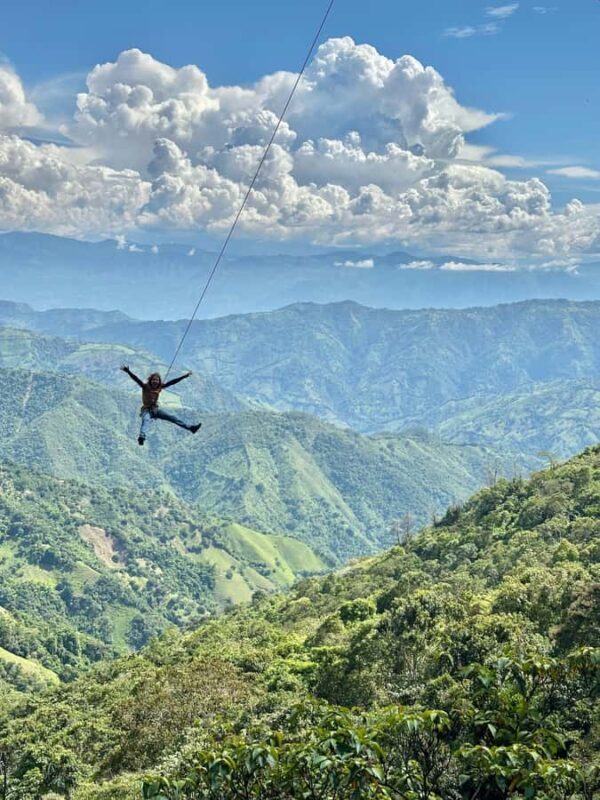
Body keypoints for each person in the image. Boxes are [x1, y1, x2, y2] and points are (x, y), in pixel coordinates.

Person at [121, 365, 201, 445]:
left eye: (157, 380)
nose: (155, 381)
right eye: (153, 380)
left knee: (173, 418)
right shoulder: (145, 386)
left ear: (159, 381)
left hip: (155, 410)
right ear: (150, 380)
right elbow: (136, 379)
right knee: (146, 420)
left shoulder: (160, 387)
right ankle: (142, 437)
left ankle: (190, 428)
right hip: (146, 410)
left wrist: (184, 376)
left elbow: (172, 382)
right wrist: (128, 371)